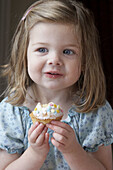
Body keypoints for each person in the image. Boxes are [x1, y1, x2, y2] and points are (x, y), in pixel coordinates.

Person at [0, 0, 113, 169]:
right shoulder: (11, 111)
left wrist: (74, 151)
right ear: (24, 54)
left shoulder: (95, 111)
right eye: (42, 50)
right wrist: (35, 153)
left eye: (68, 52)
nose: (54, 60)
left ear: (84, 61)